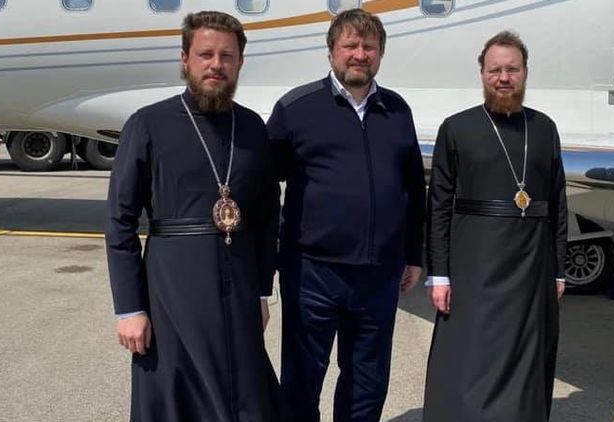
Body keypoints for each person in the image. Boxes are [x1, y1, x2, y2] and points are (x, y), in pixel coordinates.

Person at [105, 11, 279, 422]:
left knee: (244, 395)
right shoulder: (148, 124)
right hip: (172, 289)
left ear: (240, 62)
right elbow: (119, 220)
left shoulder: (252, 127)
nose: (216, 65)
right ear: (185, 59)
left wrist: (261, 292)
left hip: (238, 287)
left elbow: (267, 217)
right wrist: (129, 308)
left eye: (227, 56)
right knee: (176, 395)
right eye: (205, 54)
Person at [266, 9, 426, 422]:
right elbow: (263, 189)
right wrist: (264, 269)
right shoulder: (296, 108)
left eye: (369, 47)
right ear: (331, 52)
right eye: (350, 45)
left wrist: (414, 254)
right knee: (302, 380)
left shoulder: (397, 111)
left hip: (378, 276)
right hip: (312, 273)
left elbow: (413, 188)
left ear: (380, 54)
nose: (359, 54)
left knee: (367, 383)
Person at [423, 30, 568, 422]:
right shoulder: (457, 128)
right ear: (482, 74)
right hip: (475, 264)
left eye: (512, 69)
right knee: (471, 355)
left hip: (531, 266)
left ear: (525, 72)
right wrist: (439, 274)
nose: (504, 78)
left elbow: (557, 202)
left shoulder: (544, 128)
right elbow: (438, 205)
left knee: (525, 356)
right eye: (495, 70)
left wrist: (559, 268)